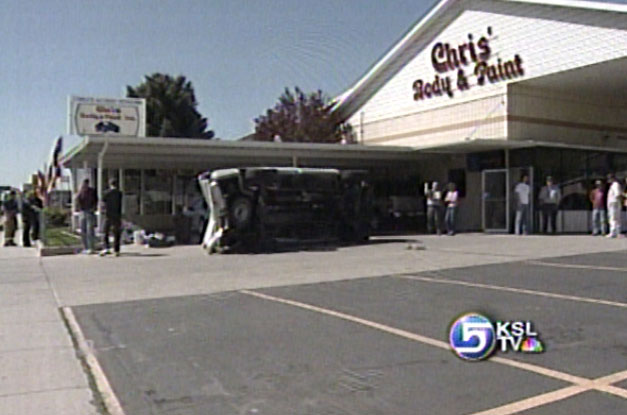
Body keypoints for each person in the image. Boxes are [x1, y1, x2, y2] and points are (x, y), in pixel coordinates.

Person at [100, 178, 123, 256]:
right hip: (117, 214)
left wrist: (102, 211)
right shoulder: (119, 193)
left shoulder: (106, 193)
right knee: (116, 232)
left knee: (105, 231)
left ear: (110, 184)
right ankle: (116, 250)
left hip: (108, 214)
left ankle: (106, 247)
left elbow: (103, 203)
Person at [76, 179, 97, 254]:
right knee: (83, 230)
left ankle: (91, 247)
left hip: (90, 211)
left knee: (90, 230)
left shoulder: (92, 191)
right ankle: (85, 247)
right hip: (83, 211)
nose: (85, 185)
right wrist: (79, 208)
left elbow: (95, 200)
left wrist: (93, 208)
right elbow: (77, 200)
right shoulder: (81, 192)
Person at [606, 174, 622, 238]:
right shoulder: (614, 185)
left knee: (613, 218)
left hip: (613, 203)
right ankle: (617, 232)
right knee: (616, 218)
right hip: (615, 203)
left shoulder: (615, 185)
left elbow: (617, 194)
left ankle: (613, 232)